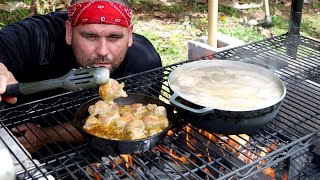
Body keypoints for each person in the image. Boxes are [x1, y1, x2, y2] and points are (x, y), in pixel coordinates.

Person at [0, 0, 162, 153]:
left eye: (114, 37)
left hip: (99, 151)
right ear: (69, 32)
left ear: (130, 35)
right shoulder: (39, 36)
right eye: (90, 36)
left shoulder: (144, 62)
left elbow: (129, 123)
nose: (103, 51)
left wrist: (44, 136)